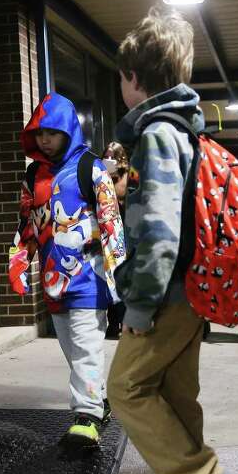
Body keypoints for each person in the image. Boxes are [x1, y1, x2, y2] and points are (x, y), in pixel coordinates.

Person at [106, 6, 238, 474]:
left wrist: (139, 302)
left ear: (133, 78)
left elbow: (160, 229)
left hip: (166, 295)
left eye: (121, 77)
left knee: (126, 388)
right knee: (173, 391)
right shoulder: (184, 130)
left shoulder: (158, 135)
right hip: (191, 292)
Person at [8, 93, 125, 450]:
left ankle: (86, 416)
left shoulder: (93, 169)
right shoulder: (34, 174)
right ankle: (97, 403)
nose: (45, 139)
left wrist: (119, 276)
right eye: (40, 132)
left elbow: (111, 224)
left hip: (90, 279)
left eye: (53, 132)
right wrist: (18, 261)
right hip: (53, 280)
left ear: (69, 130)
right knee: (72, 350)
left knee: (87, 345)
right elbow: (27, 222)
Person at [102, 141, 130, 340]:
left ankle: (122, 321)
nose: (110, 158)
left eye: (113, 155)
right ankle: (114, 323)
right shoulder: (101, 173)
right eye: (107, 155)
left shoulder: (128, 173)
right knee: (113, 274)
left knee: (123, 274)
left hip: (126, 225)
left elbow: (122, 192)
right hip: (110, 228)